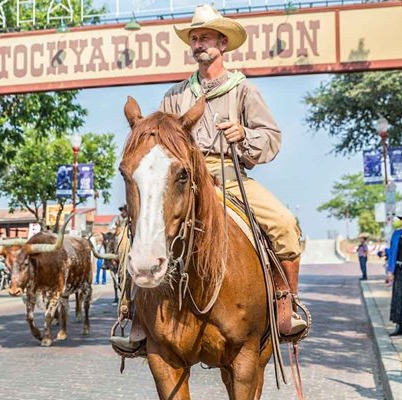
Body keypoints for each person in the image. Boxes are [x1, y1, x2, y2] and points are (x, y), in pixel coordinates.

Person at [111, 5, 305, 353]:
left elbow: (271, 137)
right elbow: (159, 145)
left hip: (229, 175)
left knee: (284, 223)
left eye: (205, 38)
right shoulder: (174, 95)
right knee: (131, 237)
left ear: (223, 44)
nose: (198, 44)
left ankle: (285, 299)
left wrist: (243, 134)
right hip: (181, 181)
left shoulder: (243, 90)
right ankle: (135, 313)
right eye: (195, 38)